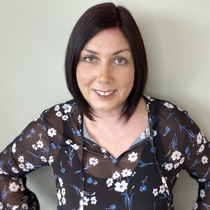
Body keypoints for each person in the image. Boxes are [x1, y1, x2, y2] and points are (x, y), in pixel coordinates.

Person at [0, 2, 209, 210]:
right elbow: (3, 171)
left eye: (119, 60)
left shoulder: (171, 126)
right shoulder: (55, 127)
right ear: (74, 63)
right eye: (90, 58)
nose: (104, 77)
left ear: (137, 64)